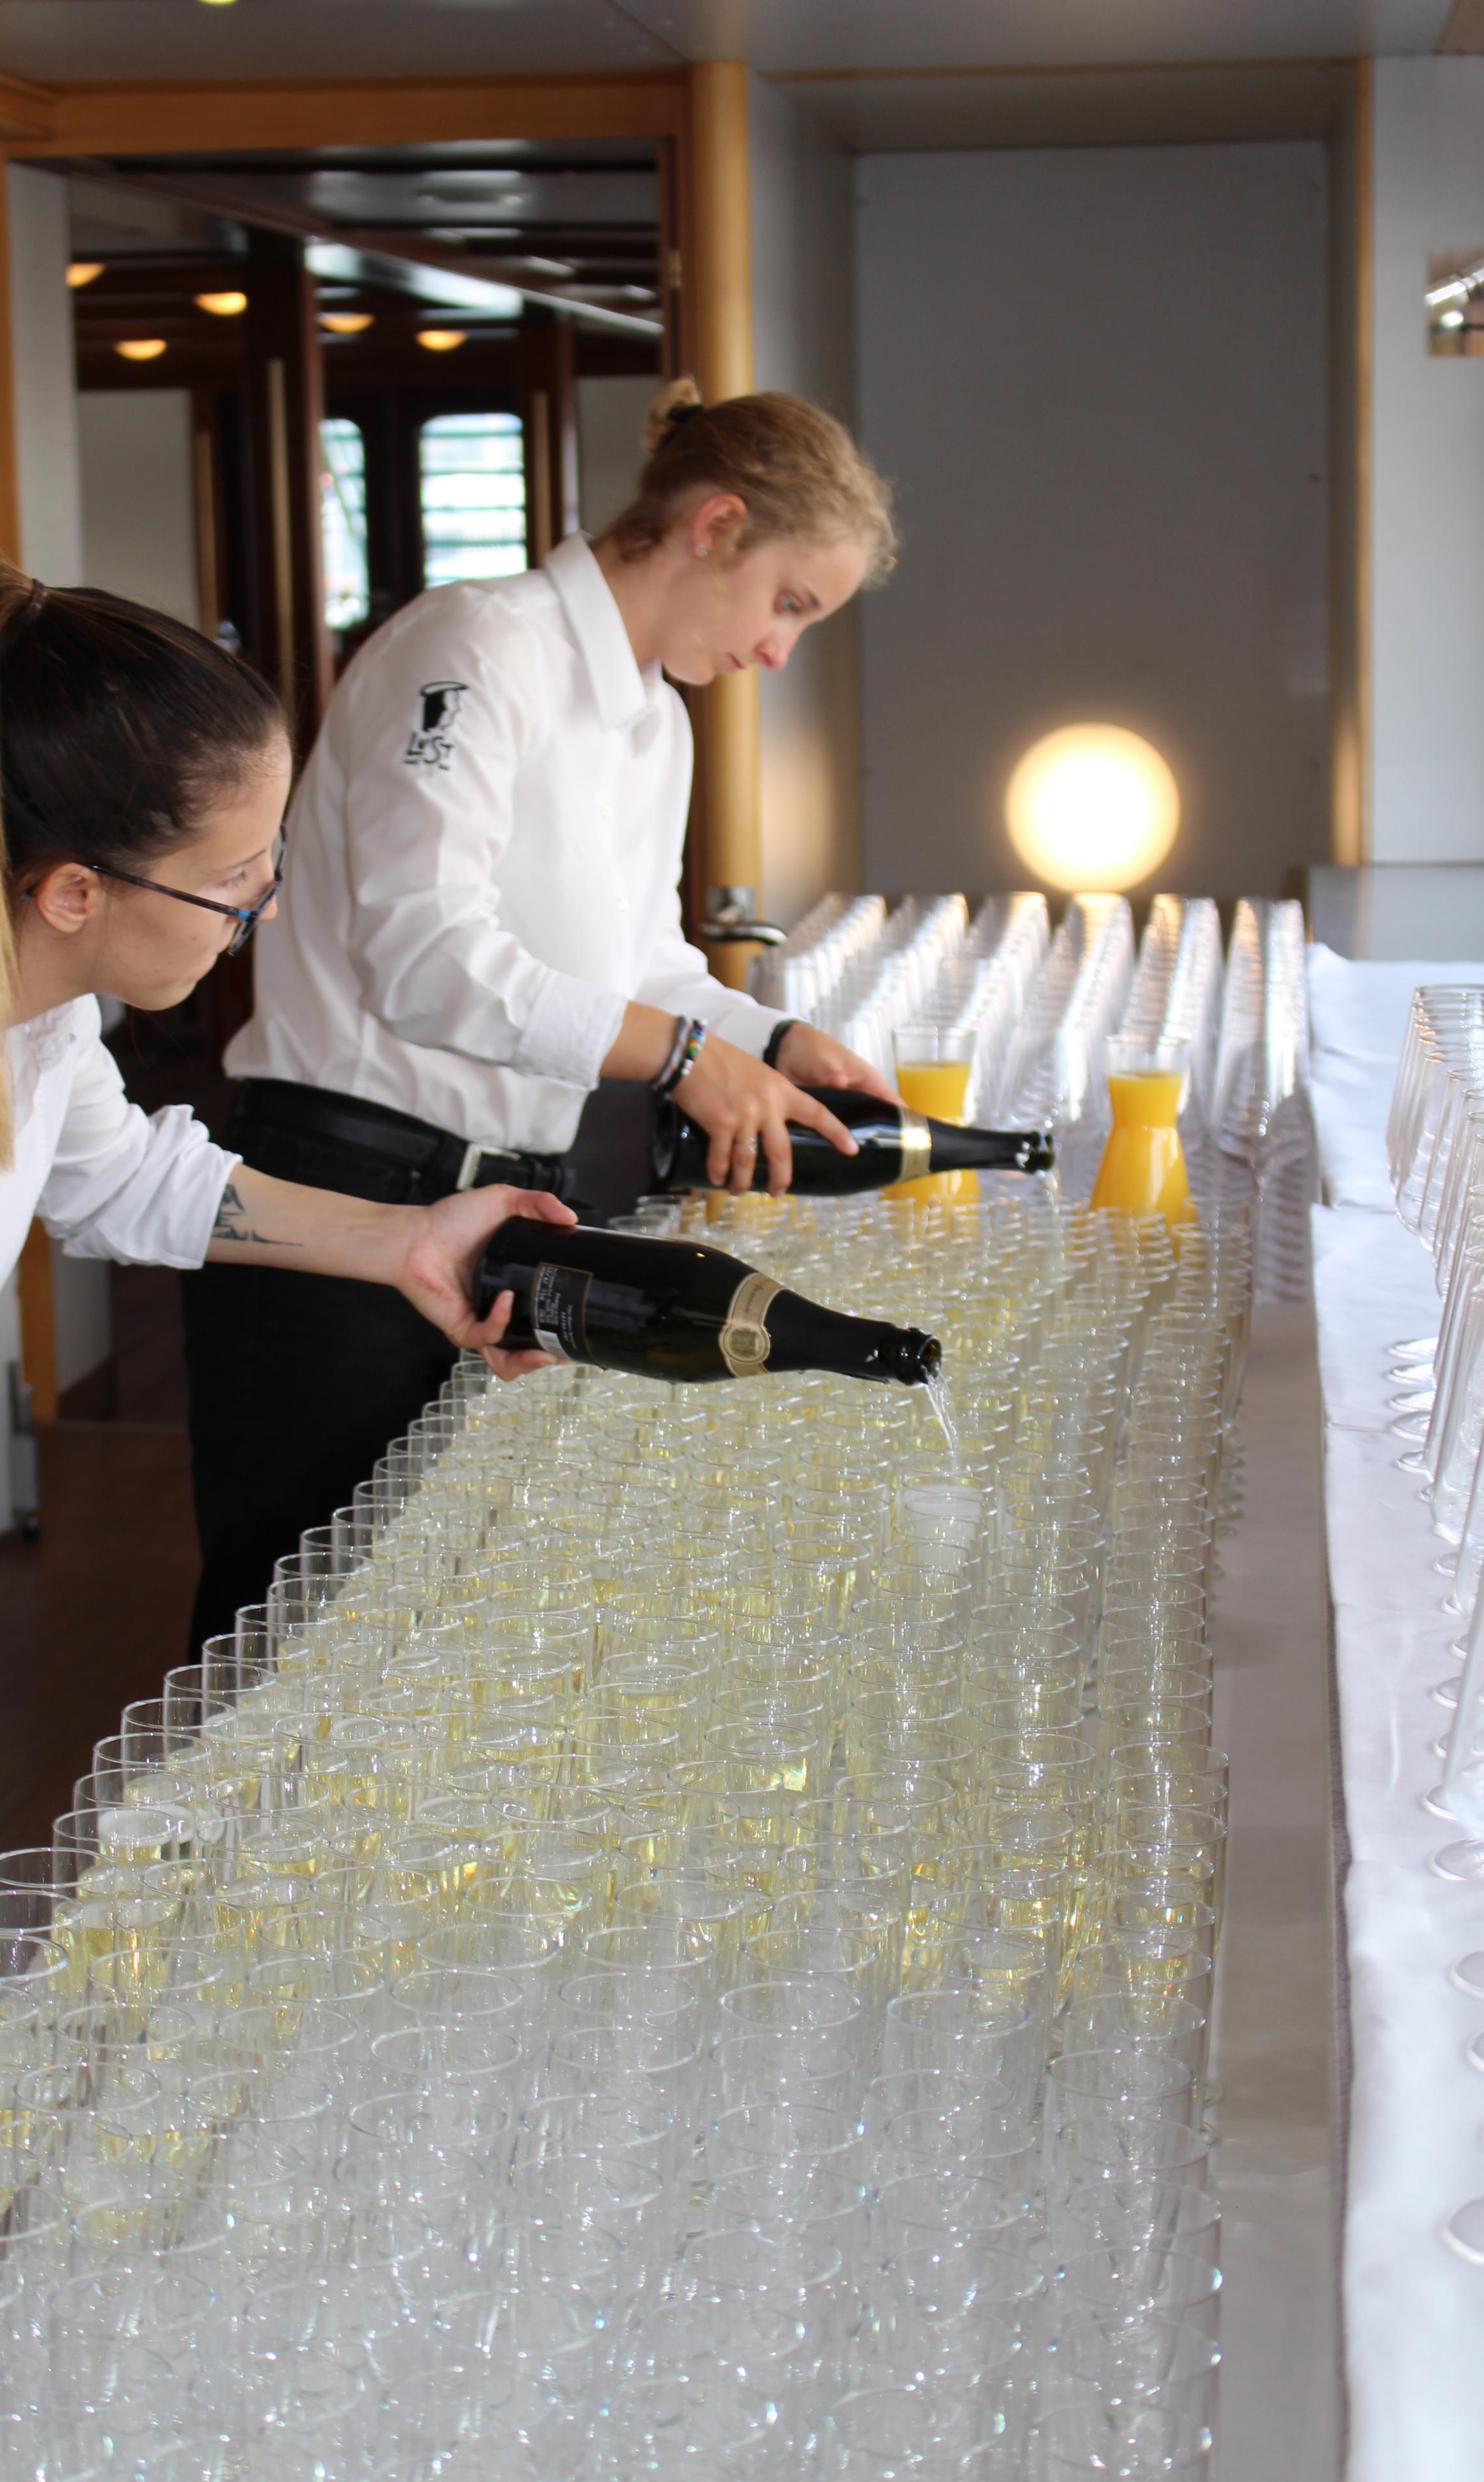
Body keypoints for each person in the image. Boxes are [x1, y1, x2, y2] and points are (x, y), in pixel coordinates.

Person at [0, 561, 568, 2198]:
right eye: (232, 884)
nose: (259, 910)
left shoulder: (25, 1000)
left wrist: (410, 1241)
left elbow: (128, 1178)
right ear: (72, 887)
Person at [183, 378, 899, 1644]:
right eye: (789, 602)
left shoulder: (656, 723)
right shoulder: (473, 646)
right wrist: (682, 1057)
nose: (779, 651)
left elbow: (640, 963)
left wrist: (776, 1045)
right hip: (337, 1186)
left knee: (439, 1623)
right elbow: (421, 956)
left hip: (507, 1210)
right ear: (716, 526)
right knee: (286, 1635)